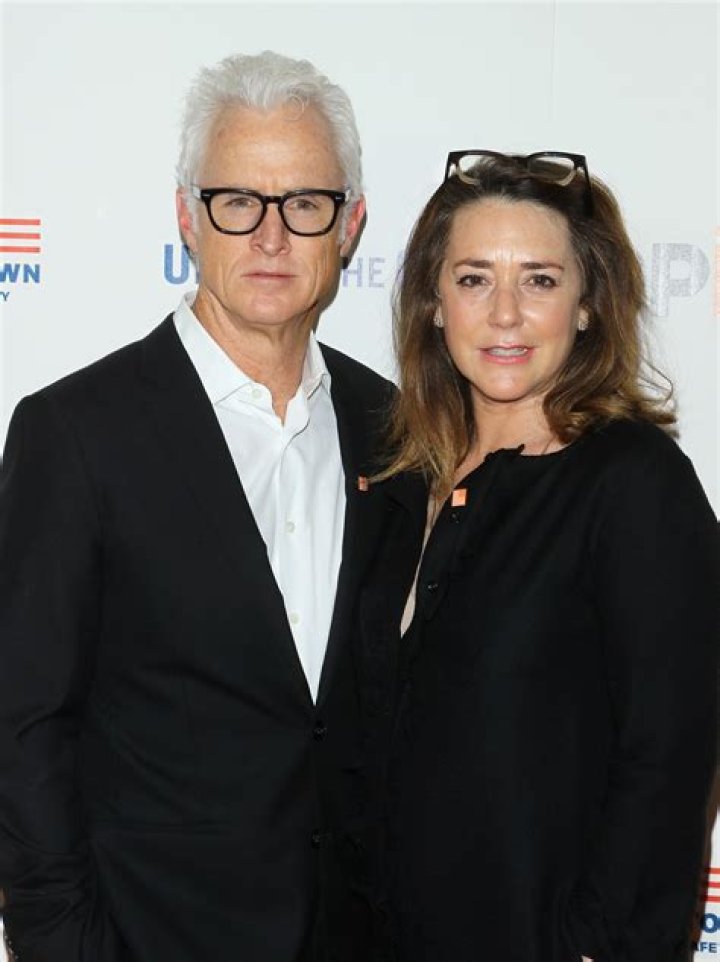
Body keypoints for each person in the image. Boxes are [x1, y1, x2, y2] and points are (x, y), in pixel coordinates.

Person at [0, 51, 393, 962]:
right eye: (237, 201)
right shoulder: (77, 432)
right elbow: (21, 727)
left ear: (350, 224)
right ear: (187, 215)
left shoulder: (394, 431)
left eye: (304, 203)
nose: (270, 236)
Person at [357, 150, 719, 962]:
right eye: (474, 279)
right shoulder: (399, 484)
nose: (505, 314)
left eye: (541, 281)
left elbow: (669, 756)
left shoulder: (634, 483)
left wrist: (597, 946)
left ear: (587, 307)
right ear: (434, 304)